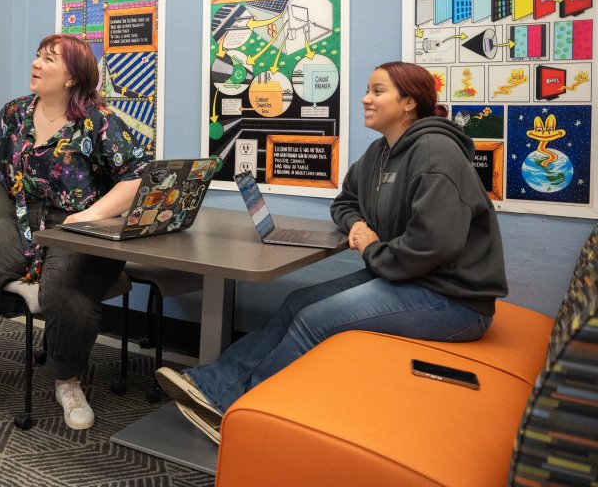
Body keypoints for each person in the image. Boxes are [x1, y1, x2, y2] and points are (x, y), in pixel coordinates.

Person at [156, 61, 507, 443]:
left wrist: (372, 247)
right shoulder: (380, 153)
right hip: (407, 277)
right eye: (368, 90)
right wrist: (357, 225)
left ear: (409, 102)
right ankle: (213, 386)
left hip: (453, 300)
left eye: (377, 91)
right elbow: (345, 202)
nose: (365, 98)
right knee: (297, 301)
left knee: (316, 319)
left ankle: (242, 414)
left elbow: (433, 244)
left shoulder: (436, 153)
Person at [0, 34, 151, 431]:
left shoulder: (98, 120)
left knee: (62, 288)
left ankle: (67, 381)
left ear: (72, 77)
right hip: (24, 220)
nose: (37, 64)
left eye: (49, 60)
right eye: (38, 56)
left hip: (82, 225)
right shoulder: (16, 112)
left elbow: (137, 179)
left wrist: (90, 213)